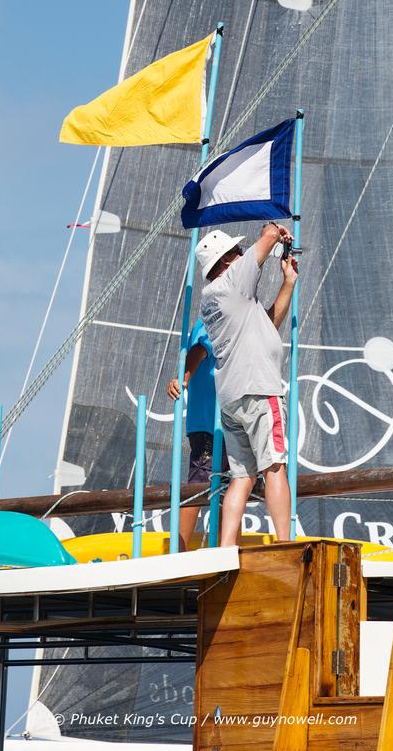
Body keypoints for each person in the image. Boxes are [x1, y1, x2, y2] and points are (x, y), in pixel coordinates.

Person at [196, 223, 298, 547]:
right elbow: (267, 236)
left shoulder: (211, 299)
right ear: (225, 261)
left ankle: (226, 548)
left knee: (241, 477)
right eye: (235, 253)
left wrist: (288, 283)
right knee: (275, 466)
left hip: (231, 398)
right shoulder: (231, 281)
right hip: (259, 387)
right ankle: (285, 546)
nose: (241, 255)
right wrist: (277, 229)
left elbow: (266, 324)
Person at [165, 318, 228, 551]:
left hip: (228, 424)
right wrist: (183, 378)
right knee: (200, 485)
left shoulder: (235, 315)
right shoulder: (212, 318)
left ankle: (227, 549)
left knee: (229, 491)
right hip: (209, 423)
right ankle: (178, 552)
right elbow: (199, 350)